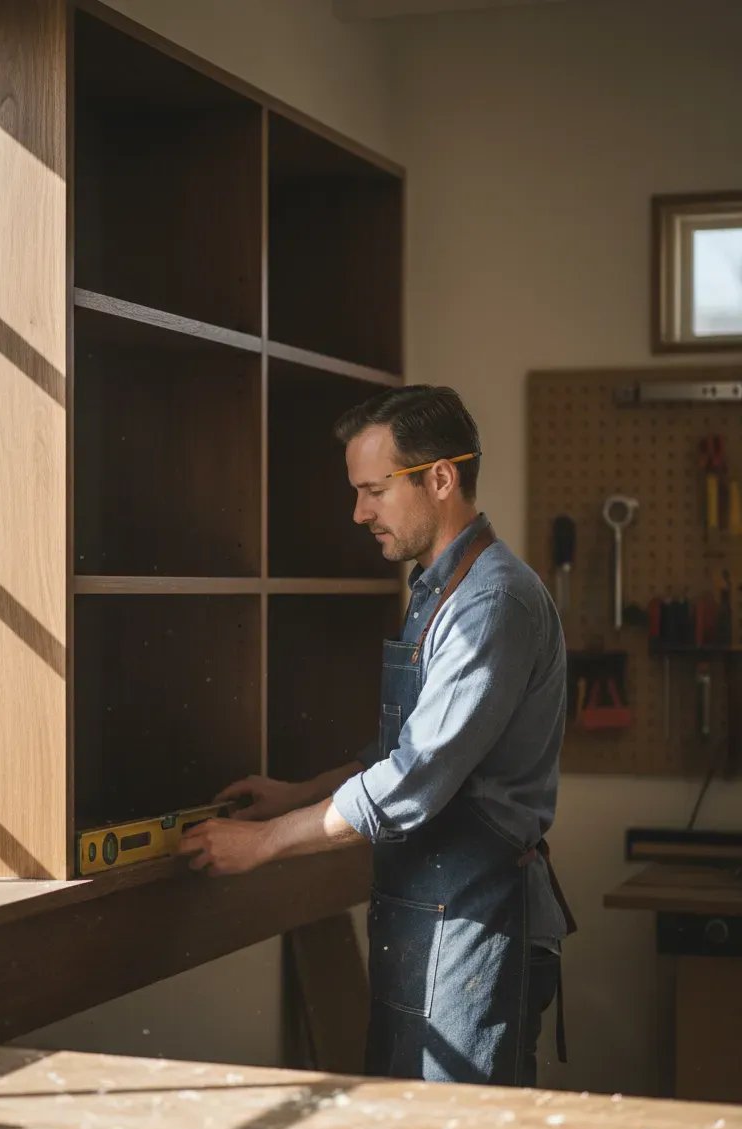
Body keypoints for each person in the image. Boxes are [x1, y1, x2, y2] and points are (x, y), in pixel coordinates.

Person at [179, 384, 575, 1087]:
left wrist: (267, 843)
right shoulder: (437, 589)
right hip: (425, 920)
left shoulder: (491, 605)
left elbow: (415, 781)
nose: (358, 512)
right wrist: (294, 795)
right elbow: (404, 752)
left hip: (477, 933)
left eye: (374, 491)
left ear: (441, 478)